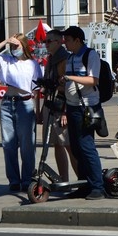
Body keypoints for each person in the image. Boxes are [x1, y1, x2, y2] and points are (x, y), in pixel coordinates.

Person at [0, 32, 43, 192]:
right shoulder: (6, 60)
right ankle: (13, 180)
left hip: (25, 104)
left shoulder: (33, 64)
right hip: (7, 104)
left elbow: (37, 90)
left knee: (27, 145)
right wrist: (6, 41)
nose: (13, 48)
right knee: (8, 144)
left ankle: (27, 179)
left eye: (16, 45)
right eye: (11, 46)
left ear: (24, 46)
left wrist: (38, 111)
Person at [61, 25, 106, 200]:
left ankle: (97, 187)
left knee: (87, 147)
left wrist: (70, 78)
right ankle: (84, 184)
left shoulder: (90, 55)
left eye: (68, 40)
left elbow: (93, 79)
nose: (65, 44)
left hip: (86, 107)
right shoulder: (71, 57)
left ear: (78, 40)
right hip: (72, 107)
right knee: (76, 148)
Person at [42, 29, 78, 181]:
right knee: (57, 144)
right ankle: (64, 179)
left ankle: (83, 179)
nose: (46, 44)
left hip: (61, 107)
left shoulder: (64, 59)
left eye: (49, 41)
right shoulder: (51, 59)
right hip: (51, 106)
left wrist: (65, 112)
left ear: (59, 42)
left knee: (68, 145)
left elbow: (69, 88)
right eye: (45, 41)